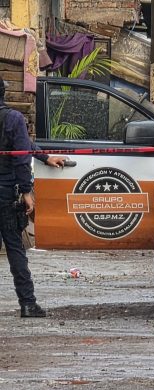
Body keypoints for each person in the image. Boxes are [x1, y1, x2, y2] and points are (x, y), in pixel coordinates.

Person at [0, 78, 68, 317]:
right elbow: (20, 156)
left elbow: (24, 147)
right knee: (15, 248)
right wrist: (27, 191)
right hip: (6, 194)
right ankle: (27, 304)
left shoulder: (12, 120)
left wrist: (43, 156)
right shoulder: (13, 119)